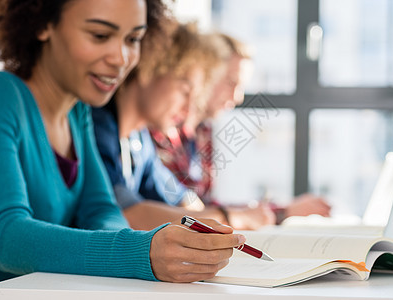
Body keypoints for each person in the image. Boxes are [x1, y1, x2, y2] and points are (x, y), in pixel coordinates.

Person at [0, 0, 244, 283]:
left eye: (133, 39)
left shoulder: (78, 114)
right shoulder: (3, 97)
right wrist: (141, 251)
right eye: (100, 36)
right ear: (43, 24)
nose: (121, 58)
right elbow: (6, 237)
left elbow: (101, 210)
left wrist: (147, 246)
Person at [92, 22, 276, 231]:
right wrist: (229, 217)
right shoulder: (98, 127)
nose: (189, 110)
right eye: (185, 91)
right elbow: (128, 214)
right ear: (152, 68)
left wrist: (213, 216)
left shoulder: (138, 141)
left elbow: (179, 198)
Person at [151, 33, 331, 225]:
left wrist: (281, 211)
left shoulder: (203, 131)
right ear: (205, 75)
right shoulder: (161, 127)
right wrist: (279, 213)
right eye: (231, 82)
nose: (237, 97)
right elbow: (182, 212)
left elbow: (203, 206)